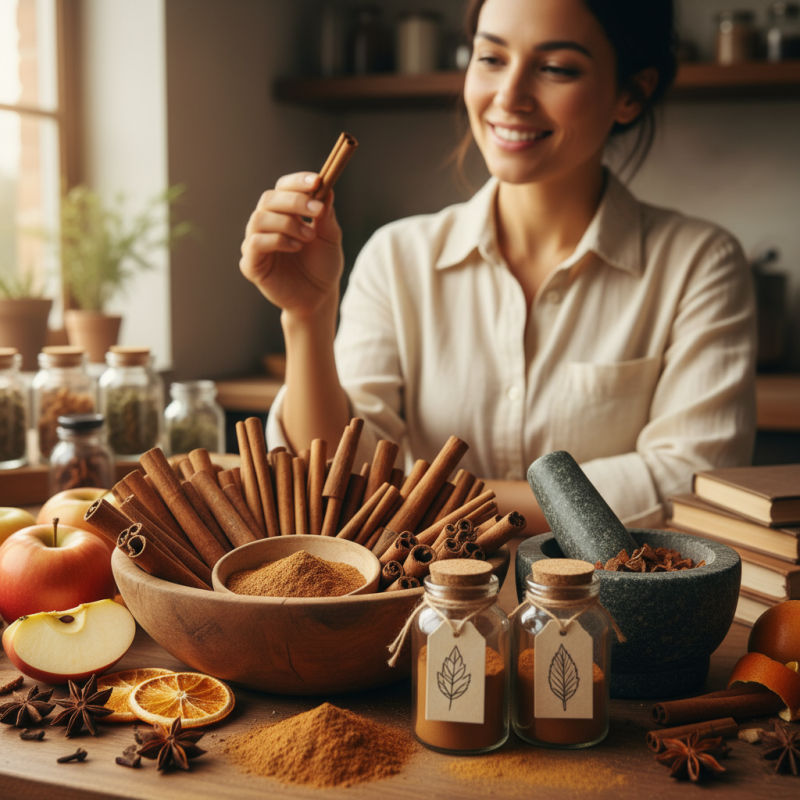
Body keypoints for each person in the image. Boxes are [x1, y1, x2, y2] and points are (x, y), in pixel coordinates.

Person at [239, 0, 756, 533]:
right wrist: (307, 315)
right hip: (421, 613)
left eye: (556, 69)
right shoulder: (397, 258)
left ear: (631, 93)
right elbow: (334, 480)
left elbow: (690, 481)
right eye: (490, 58)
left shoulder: (699, 264)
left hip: (608, 615)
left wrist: (418, 501)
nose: (509, 97)